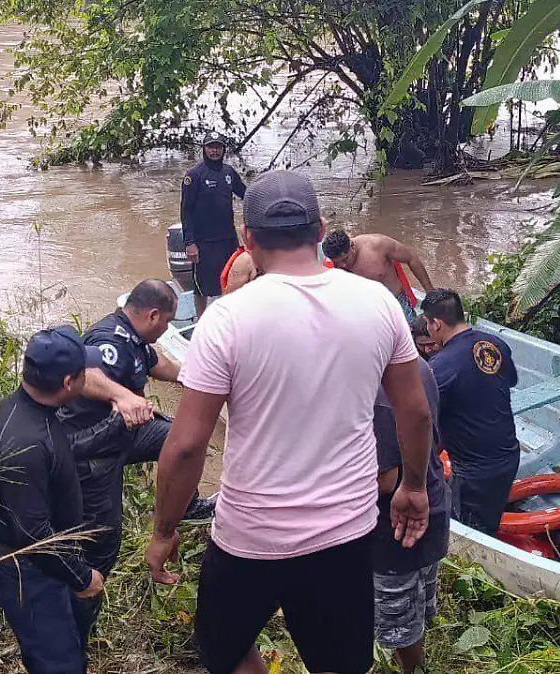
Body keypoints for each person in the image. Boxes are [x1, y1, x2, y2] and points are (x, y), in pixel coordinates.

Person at [145, 170, 434, 674]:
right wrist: (413, 486)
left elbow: (188, 445)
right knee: (340, 663)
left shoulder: (226, 320)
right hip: (346, 532)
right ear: (321, 230)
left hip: (249, 537)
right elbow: (414, 411)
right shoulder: (378, 305)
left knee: (224, 649)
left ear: (248, 240)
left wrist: (164, 529)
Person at [58, 279, 215, 637]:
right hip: (93, 451)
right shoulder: (110, 339)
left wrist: (194, 378)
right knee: (104, 543)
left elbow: (154, 361)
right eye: (166, 323)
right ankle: (76, 624)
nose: (165, 331)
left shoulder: (136, 337)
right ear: (154, 315)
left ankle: (185, 506)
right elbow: (86, 375)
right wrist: (121, 396)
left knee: (181, 440)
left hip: (124, 434)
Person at [0, 326, 105, 674]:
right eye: (85, 372)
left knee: (58, 648)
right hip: (27, 570)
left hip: (41, 565)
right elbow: (33, 535)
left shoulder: (21, 408)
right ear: (68, 383)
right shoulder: (28, 443)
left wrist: (114, 430)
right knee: (58, 663)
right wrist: (81, 577)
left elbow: (59, 456)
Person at [371, 358, 449, 674]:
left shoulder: (378, 394)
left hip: (397, 527)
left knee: (400, 626)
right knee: (415, 605)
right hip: (433, 502)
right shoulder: (419, 365)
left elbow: (383, 480)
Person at [421, 289, 520, 535]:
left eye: (428, 324)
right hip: (508, 455)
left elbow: (422, 417)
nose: (429, 331)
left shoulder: (441, 366)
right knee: (488, 517)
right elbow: (510, 380)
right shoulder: (496, 345)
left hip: (475, 471)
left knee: (471, 530)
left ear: (437, 324)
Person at [181, 131, 247, 316]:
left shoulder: (229, 173)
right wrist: (190, 243)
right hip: (204, 242)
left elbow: (245, 194)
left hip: (228, 239)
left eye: (218, 147)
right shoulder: (193, 175)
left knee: (232, 280)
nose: (214, 151)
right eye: (211, 146)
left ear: (224, 149)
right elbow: (185, 211)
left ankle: (230, 317)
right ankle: (201, 322)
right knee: (202, 287)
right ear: (204, 149)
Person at [322, 229, 436, 317]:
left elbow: (411, 258)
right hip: (366, 312)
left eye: (345, 259)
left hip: (396, 304)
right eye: (337, 262)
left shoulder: (377, 245)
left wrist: (430, 292)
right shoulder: (331, 266)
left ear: (352, 246)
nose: (342, 266)